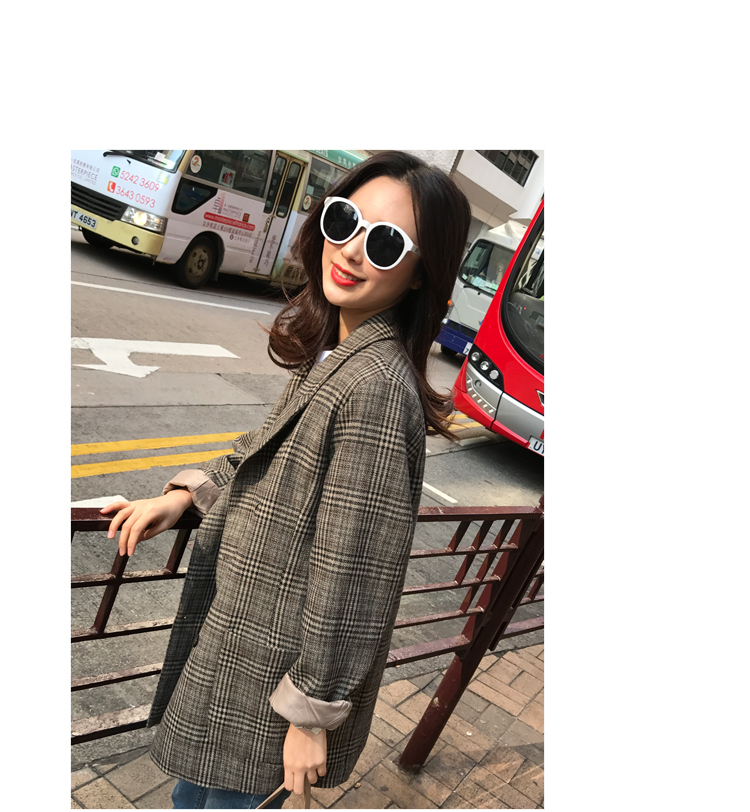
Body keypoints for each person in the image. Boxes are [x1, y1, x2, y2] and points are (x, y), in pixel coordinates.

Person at [101, 151, 471, 809]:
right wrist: (185, 496)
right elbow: (263, 453)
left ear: (420, 273)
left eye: (385, 243)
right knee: (192, 799)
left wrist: (311, 713)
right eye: (345, 221)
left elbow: (355, 573)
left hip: (276, 685)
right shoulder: (339, 351)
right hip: (244, 653)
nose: (351, 250)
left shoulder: (376, 389)